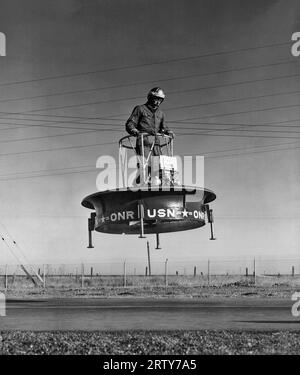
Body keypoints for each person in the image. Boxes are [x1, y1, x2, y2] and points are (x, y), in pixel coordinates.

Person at [125, 87, 175, 157]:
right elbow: (130, 123)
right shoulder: (140, 109)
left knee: (159, 165)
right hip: (143, 143)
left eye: (160, 100)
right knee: (146, 165)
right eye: (156, 99)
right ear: (151, 98)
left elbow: (164, 128)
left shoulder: (161, 113)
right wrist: (133, 130)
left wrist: (168, 132)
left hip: (156, 144)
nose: (158, 102)